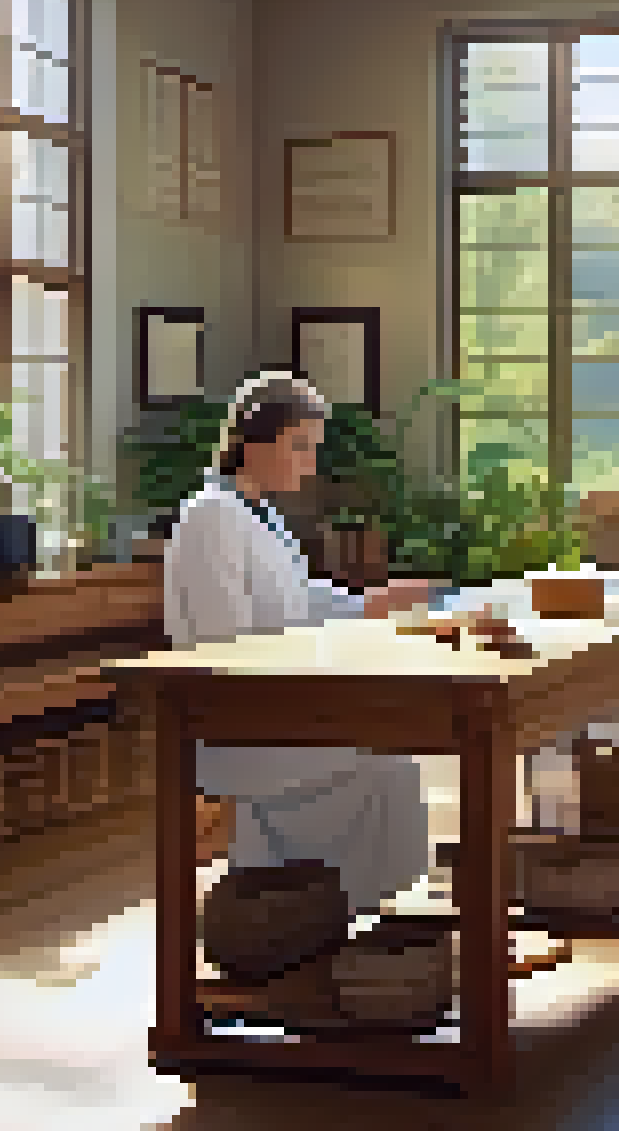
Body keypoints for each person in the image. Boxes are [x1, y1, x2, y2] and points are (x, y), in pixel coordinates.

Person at [162, 371, 441, 918]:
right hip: (240, 723)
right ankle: (354, 915)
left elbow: (305, 600)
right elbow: (229, 648)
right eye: (299, 446)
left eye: (312, 447)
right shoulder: (210, 517)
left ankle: (345, 915)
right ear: (252, 440)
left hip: (279, 706)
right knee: (390, 764)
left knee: (397, 755)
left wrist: (371, 603)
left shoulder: (261, 516)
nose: (309, 463)